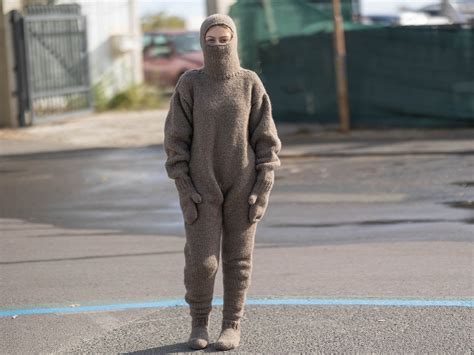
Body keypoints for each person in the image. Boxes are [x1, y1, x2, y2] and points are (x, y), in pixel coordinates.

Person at [163, 13, 282, 351]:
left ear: (234, 40)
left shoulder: (249, 82)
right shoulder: (190, 83)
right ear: (202, 41)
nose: (217, 45)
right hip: (201, 188)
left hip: (244, 187)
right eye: (210, 40)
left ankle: (231, 325)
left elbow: (265, 137)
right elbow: (176, 140)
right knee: (202, 262)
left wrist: (263, 184)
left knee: (238, 259)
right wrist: (184, 186)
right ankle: (198, 323)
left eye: (223, 38)